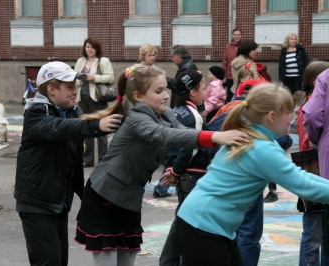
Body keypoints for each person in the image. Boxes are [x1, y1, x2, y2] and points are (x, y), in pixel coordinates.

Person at [74, 64, 249, 266]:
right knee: (109, 261)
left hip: (129, 199)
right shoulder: (136, 118)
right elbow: (164, 135)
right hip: (105, 195)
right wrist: (216, 135)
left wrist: (219, 134)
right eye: (158, 91)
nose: (166, 95)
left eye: (165, 89)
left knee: (126, 259)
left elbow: (183, 134)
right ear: (139, 96)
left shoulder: (166, 114)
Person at [175, 83, 329, 265]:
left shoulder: (252, 137)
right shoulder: (261, 149)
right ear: (272, 116)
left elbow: (302, 178)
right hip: (205, 227)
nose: (293, 116)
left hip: (205, 223)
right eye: (288, 112)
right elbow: (305, 186)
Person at [14, 61, 122, 266]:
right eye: (70, 87)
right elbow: (60, 128)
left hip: (59, 201)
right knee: (49, 260)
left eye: (76, 86)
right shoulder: (36, 113)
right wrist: (95, 125)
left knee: (60, 259)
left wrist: (86, 196)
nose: (75, 91)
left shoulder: (73, 111)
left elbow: (74, 161)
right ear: (52, 89)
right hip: (36, 202)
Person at [159, 70, 210, 266]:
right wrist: (177, 170)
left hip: (181, 175)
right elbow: (191, 148)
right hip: (192, 176)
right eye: (203, 88)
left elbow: (166, 144)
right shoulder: (193, 116)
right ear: (192, 92)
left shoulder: (173, 113)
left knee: (182, 221)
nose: (204, 93)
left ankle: (168, 261)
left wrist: (170, 168)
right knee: (190, 225)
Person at [297, 61, 329, 266]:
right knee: (313, 235)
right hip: (314, 176)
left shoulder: (315, 103)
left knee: (319, 234)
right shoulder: (307, 109)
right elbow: (305, 142)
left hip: (318, 173)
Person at [74, 36, 115, 167]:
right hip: (83, 99)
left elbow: (110, 77)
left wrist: (94, 77)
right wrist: (80, 78)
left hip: (98, 98)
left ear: (97, 48)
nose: (89, 49)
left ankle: (103, 159)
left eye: (92, 47)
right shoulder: (81, 61)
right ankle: (88, 159)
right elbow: (73, 77)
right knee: (86, 129)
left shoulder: (103, 61)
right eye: (87, 47)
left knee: (102, 128)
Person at [222, 27, 242, 102]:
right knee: (230, 97)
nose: (236, 36)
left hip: (241, 75)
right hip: (230, 75)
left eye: (238, 35)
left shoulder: (244, 46)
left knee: (240, 96)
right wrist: (224, 76)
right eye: (235, 35)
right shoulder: (228, 47)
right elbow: (225, 61)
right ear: (233, 36)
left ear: (241, 36)